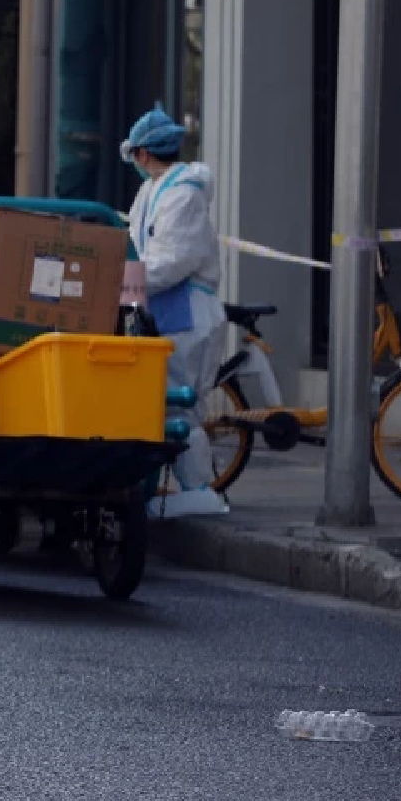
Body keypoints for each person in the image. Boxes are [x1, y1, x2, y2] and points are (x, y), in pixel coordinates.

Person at [122, 104, 228, 518]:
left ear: (144, 154)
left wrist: (123, 281)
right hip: (165, 311)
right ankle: (182, 486)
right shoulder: (154, 191)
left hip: (187, 312)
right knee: (162, 402)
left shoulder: (183, 194)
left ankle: (199, 489)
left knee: (181, 403)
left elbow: (169, 262)